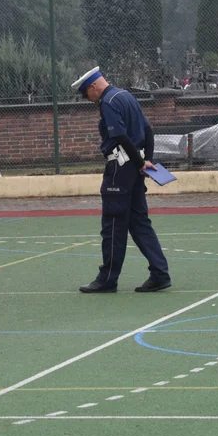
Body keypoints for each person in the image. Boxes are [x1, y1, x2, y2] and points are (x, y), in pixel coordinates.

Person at [72, 67, 172, 293]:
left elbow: (118, 136)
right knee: (139, 222)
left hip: (120, 169)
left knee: (114, 224)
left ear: (94, 87)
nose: (89, 100)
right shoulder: (126, 96)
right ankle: (160, 273)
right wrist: (147, 160)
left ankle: (107, 278)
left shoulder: (108, 102)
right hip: (135, 168)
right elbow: (147, 130)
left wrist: (138, 162)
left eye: (87, 95)